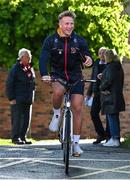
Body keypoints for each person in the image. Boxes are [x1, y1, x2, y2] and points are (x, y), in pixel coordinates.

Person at [39, 10, 93, 156]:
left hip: (76, 77)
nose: (69, 26)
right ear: (60, 24)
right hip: (58, 75)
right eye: (67, 23)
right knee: (58, 91)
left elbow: (87, 55)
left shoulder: (78, 40)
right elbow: (43, 58)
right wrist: (44, 74)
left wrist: (89, 60)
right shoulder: (51, 40)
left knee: (77, 108)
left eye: (72, 24)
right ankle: (57, 114)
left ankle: (75, 144)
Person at [6, 48, 35, 145]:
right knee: (17, 119)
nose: (30, 58)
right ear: (22, 57)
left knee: (26, 120)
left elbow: (32, 82)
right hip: (17, 99)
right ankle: (15, 138)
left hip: (28, 98)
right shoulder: (16, 68)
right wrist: (11, 98)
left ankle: (23, 137)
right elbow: (9, 83)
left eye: (30, 56)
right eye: (28, 56)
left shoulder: (30, 68)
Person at [100, 49, 125, 147]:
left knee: (112, 118)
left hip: (110, 96)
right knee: (114, 118)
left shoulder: (110, 67)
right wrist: (103, 76)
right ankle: (115, 138)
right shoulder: (118, 66)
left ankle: (114, 139)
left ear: (108, 57)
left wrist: (101, 87)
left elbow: (108, 81)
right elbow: (112, 79)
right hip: (116, 95)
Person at [86, 47, 111, 144]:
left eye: (104, 53)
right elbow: (93, 78)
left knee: (109, 114)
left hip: (107, 93)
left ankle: (109, 136)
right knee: (93, 113)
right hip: (97, 93)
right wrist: (89, 94)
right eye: (100, 53)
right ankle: (101, 134)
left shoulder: (110, 64)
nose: (101, 54)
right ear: (98, 55)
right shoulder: (96, 63)